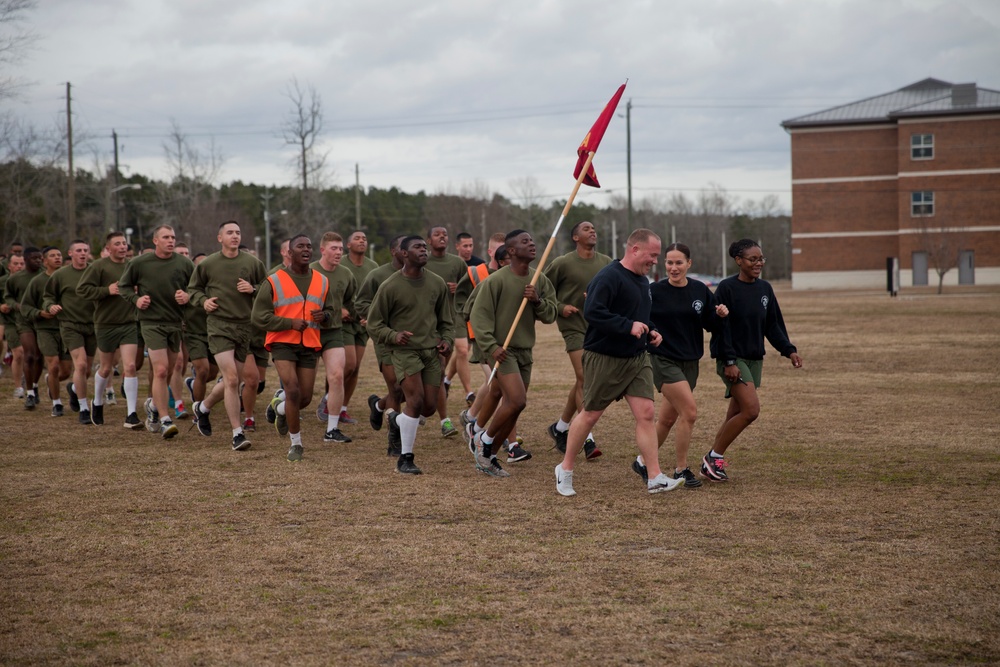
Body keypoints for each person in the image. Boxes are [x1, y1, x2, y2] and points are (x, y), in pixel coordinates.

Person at [554, 229, 685, 497]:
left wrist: (651, 329)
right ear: (634, 250)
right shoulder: (609, 276)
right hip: (604, 357)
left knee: (647, 413)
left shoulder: (642, 280)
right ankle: (565, 469)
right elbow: (593, 312)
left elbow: (639, 316)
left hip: (636, 358)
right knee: (590, 414)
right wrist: (627, 326)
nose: (655, 261)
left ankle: (654, 476)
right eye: (652, 255)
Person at [704, 239, 803, 482]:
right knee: (751, 410)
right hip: (733, 359)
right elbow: (720, 328)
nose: (758, 263)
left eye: (761, 259)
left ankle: (713, 463)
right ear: (739, 261)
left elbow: (773, 325)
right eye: (753, 259)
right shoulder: (726, 288)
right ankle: (713, 457)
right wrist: (728, 361)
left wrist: (788, 350)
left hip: (754, 358)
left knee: (734, 415)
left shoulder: (765, 289)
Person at [636, 242, 729, 488]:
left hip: (690, 362)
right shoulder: (653, 290)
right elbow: (638, 316)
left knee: (666, 420)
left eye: (679, 263)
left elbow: (711, 324)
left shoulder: (700, 290)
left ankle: (642, 461)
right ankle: (681, 469)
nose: (673, 267)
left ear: (689, 263)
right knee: (689, 412)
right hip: (662, 359)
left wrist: (719, 315)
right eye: (669, 262)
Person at [468, 229, 557, 477]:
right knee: (517, 400)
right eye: (525, 242)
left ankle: (489, 457)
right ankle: (482, 438)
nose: (532, 244)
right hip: (501, 351)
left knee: (514, 407)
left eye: (532, 240)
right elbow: (478, 316)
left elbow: (551, 315)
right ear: (511, 251)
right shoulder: (495, 281)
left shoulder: (539, 280)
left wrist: (537, 301)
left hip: (524, 350)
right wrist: (491, 346)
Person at [366, 235, 454, 474]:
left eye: (425, 247)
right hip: (404, 353)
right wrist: (393, 336)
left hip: (431, 353)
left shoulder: (437, 283)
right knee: (414, 402)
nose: (423, 250)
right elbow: (373, 324)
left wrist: (447, 341)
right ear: (403, 253)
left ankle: (395, 418)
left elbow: (447, 321)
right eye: (417, 247)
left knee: (429, 409)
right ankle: (405, 459)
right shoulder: (390, 286)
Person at [253, 234, 336, 462]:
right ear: (289, 252)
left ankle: (279, 409)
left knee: (305, 398)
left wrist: (325, 315)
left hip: (309, 343)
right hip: (282, 343)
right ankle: (296, 444)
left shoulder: (322, 280)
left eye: (309, 246)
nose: (306, 249)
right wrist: (288, 323)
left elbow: (331, 311)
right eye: (300, 246)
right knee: (292, 390)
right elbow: (258, 317)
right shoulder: (273, 280)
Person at [187, 220, 268, 451]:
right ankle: (237, 433)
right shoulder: (209, 264)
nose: (235, 236)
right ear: (219, 238)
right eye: (230, 232)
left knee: (237, 380)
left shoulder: (252, 262)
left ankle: (202, 408)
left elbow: (268, 286)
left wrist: (253, 289)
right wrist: (204, 301)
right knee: (231, 379)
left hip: (244, 327)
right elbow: (194, 289)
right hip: (219, 325)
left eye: (238, 232)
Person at [118, 225, 195, 440]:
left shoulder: (184, 264)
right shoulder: (140, 264)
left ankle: (152, 405)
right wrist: (136, 299)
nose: (171, 241)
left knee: (170, 370)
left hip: (175, 322)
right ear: (155, 241)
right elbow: (123, 287)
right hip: (151, 323)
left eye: (173, 237)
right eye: (166, 237)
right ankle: (165, 419)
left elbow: (199, 288)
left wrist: (188, 296)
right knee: (160, 370)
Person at [543, 220, 612, 459]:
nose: (592, 230)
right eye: (586, 228)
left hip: (598, 328)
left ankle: (560, 428)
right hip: (572, 326)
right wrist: (560, 307)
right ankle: (587, 439)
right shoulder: (562, 263)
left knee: (582, 380)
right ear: (575, 237)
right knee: (585, 376)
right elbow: (542, 290)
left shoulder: (606, 263)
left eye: (594, 228)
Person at [77, 232, 139, 427]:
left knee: (130, 366)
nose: (122, 247)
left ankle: (131, 414)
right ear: (109, 248)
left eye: (124, 243)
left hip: (129, 323)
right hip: (105, 324)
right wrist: (107, 291)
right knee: (106, 368)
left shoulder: (133, 266)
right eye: (117, 244)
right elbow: (82, 290)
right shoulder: (98, 266)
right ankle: (97, 401)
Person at [354, 234, 405, 454]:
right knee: (395, 386)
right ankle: (395, 438)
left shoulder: (421, 275)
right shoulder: (378, 275)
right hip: (385, 337)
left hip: (413, 339)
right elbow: (362, 303)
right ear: (394, 251)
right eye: (405, 247)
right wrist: (375, 317)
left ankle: (378, 405)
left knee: (407, 390)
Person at [309, 231, 358, 444]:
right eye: (334, 249)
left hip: (334, 331)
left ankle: (332, 429)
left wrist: (348, 310)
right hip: (309, 331)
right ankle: (281, 405)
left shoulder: (346, 274)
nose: (339, 252)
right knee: (303, 392)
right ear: (322, 250)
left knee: (337, 376)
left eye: (341, 249)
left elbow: (351, 301)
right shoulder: (309, 271)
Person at [42, 239, 97, 424]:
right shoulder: (61, 275)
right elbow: (48, 296)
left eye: (85, 250)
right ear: (71, 253)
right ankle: (83, 408)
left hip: (92, 325)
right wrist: (51, 306)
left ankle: (74, 390)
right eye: (79, 250)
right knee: (80, 365)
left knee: (87, 370)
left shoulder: (95, 271)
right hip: (70, 324)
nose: (82, 253)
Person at [424, 225, 468, 437]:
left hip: (449, 323)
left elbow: (469, 291)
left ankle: (444, 421)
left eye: (445, 234)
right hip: (424, 324)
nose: (442, 237)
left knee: (439, 371)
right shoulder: (422, 261)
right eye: (437, 234)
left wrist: (458, 288)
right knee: (425, 372)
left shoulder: (457, 263)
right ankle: (422, 408)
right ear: (428, 241)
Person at [335, 230, 378, 426]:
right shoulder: (340, 263)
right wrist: (339, 309)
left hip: (362, 324)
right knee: (348, 364)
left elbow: (376, 296)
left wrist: (370, 316)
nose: (362, 241)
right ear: (348, 245)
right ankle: (329, 400)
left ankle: (342, 408)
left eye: (365, 238)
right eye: (357, 238)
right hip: (343, 322)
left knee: (355, 368)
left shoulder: (372, 267)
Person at [22, 246, 71, 417]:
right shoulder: (37, 281)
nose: (57, 258)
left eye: (59, 254)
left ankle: (50, 380)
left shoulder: (68, 277)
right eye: (52, 255)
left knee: (65, 372)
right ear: (45, 261)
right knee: (54, 364)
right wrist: (40, 313)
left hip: (67, 328)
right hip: (45, 329)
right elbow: (26, 306)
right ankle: (57, 404)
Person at [4, 247, 43, 409]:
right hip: (23, 320)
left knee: (40, 357)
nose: (38, 260)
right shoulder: (15, 279)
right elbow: (8, 297)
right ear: (26, 260)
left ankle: (34, 384)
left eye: (40, 258)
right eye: (34, 258)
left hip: (42, 320)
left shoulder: (45, 275)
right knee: (29, 355)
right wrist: (16, 306)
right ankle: (30, 394)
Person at [0, 253, 26, 398]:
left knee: (31, 355)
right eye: (16, 264)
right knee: (18, 352)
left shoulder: (31, 280)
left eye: (22, 264)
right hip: (9, 321)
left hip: (28, 322)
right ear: (9, 266)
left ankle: (28, 381)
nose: (19, 266)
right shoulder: (2, 281)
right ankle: (18, 387)